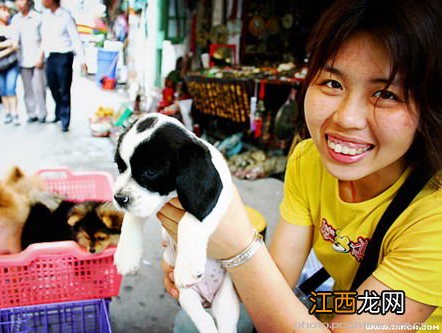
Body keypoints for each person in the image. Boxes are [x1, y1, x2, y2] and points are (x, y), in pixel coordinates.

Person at [158, 0, 442, 332]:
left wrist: (240, 249)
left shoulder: (434, 215)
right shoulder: (310, 159)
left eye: (387, 94)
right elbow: (278, 274)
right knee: (192, 322)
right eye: (333, 83)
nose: (346, 119)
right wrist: (211, 277)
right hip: (345, 301)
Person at [40, 0, 87, 132]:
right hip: (51, 57)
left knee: (64, 89)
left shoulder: (66, 17)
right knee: (53, 86)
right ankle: (58, 112)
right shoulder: (45, 16)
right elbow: (44, 38)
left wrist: (82, 61)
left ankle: (65, 119)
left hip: (64, 56)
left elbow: (75, 39)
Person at [12, 0, 48, 123]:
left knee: (39, 88)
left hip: (37, 58)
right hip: (22, 59)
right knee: (27, 89)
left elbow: (44, 39)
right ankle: (31, 113)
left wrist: (41, 56)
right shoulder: (15, 19)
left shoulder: (38, 18)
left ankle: (42, 113)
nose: (18, 3)